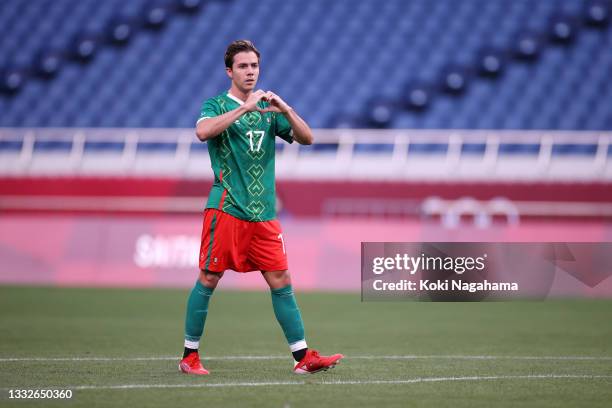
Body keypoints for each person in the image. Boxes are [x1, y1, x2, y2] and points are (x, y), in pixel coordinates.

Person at [179, 40, 343, 375]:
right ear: (229, 71)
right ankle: (189, 357)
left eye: (254, 66)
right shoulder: (215, 105)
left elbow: (308, 138)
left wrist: (285, 108)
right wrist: (244, 108)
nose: (250, 72)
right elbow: (201, 132)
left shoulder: (270, 111)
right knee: (209, 277)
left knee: (281, 278)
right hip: (227, 208)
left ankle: (303, 359)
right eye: (243, 66)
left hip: (264, 213)